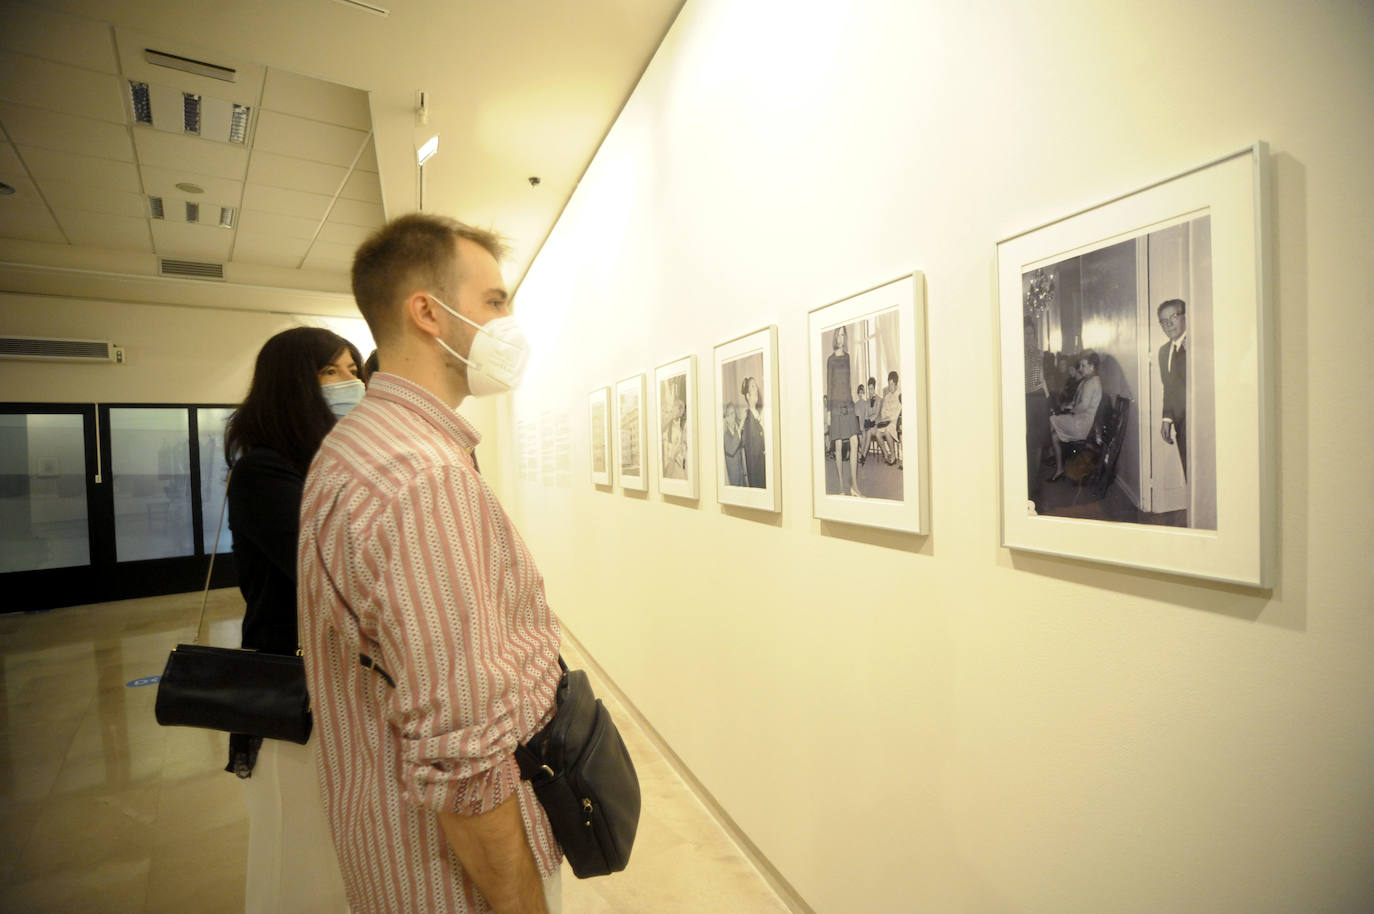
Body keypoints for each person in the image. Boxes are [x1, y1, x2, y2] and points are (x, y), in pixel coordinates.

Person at [297, 213, 563, 914]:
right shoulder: (422, 478)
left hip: (389, 849)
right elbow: (465, 752)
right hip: (450, 882)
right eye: (496, 301)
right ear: (428, 313)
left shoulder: (355, 446)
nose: (510, 321)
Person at [223, 325, 361, 913]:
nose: (350, 383)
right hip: (289, 678)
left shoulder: (321, 460)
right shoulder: (264, 472)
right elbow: (332, 563)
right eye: (332, 371)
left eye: (354, 370)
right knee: (293, 838)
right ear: (293, 384)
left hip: (333, 673)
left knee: (331, 835)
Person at [1049, 350, 1102, 481]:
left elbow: (1083, 406)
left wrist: (1069, 409)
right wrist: (1069, 406)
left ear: (1092, 367)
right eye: (1080, 366)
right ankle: (1059, 467)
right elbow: (1077, 401)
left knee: (1051, 419)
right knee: (1054, 435)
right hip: (1079, 420)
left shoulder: (1092, 383)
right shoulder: (1087, 381)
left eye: (1083, 366)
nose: (1080, 369)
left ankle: (1058, 463)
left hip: (1082, 425)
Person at [824, 326, 862, 496]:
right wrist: (829, 413)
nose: (842, 338)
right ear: (835, 337)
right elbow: (830, 387)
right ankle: (841, 488)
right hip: (836, 406)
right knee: (838, 447)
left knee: (854, 442)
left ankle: (854, 486)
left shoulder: (847, 357)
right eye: (839, 335)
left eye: (843, 335)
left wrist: (853, 403)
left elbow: (848, 383)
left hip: (848, 403)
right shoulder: (830, 360)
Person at [1157, 298, 1188, 478]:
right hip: (1179, 422)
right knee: (1188, 470)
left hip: (1201, 422)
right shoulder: (1164, 352)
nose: (1168, 324)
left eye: (1173, 317)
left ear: (1184, 317)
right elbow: (1168, 388)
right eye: (1163, 321)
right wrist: (1166, 420)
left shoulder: (1198, 345)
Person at [1024, 318, 1051, 509]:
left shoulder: (1039, 354)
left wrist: (1048, 399)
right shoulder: (1016, 353)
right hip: (1024, 399)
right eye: (1025, 333)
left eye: (1031, 333)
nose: (1028, 337)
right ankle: (1027, 481)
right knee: (1027, 441)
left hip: (1038, 397)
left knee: (1038, 441)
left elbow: (1041, 378)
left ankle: (1035, 482)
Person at [871, 370, 902, 465]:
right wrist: (884, 418)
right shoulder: (887, 396)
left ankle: (893, 456)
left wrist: (890, 418)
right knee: (877, 434)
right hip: (886, 421)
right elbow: (883, 410)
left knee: (888, 431)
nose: (890, 387)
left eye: (892, 384)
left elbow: (899, 411)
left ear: (896, 384)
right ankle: (885, 454)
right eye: (889, 384)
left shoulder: (900, 395)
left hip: (894, 422)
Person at [740, 377, 766, 488]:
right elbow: (751, 456)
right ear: (748, 396)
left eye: (756, 386)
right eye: (753, 386)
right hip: (758, 474)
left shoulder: (757, 414)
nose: (756, 389)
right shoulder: (748, 418)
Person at [722, 401, 745, 486]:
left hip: (741, 472)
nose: (734, 416)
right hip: (732, 475)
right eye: (731, 414)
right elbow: (731, 450)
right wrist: (740, 428)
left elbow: (743, 445)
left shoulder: (736, 430)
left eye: (734, 413)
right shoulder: (725, 434)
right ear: (726, 418)